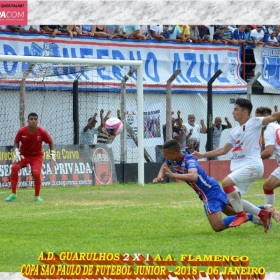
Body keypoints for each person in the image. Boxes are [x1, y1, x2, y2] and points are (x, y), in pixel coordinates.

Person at [191, 98, 280, 232]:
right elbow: (223, 150)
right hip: (241, 169)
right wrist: (202, 155)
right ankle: (263, 214)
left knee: (226, 182)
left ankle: (241, 215)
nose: (233, 112)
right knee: (229, 200)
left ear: (245, 112)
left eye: (236, 109)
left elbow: (273, 116)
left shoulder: (254, 123)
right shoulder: (234, 131)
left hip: (253, 166)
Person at [152, 139, 256, 232]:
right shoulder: (173, 158)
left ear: (174, 154)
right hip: (209, 188)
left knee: (217, 226)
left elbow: (193, 176)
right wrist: (159, 176)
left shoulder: (189, 160)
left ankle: (256, 216)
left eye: (165, 154)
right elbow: (164, 166)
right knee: (231, 213)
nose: (164, 157)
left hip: (209, 191)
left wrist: (172, 175)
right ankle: (261, 212)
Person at [5, 113, 56, 202]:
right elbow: (16, 141)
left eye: (35, 119)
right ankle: (13, 194)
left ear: (37, 121)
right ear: (27, 121)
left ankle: (37, 196)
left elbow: (50, 142)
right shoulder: (22, 131)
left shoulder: (42, 131)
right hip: (23, 155)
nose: (33, 121)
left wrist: (52, 153)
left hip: (36, 156)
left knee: (36, 174)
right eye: (31, 119)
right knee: (13, 167)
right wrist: (16, 152)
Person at [255, 106, 280, 222]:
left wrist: (252, 159)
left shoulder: (269, 129)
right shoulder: (277, 127)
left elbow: (268, 152)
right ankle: (269, 215)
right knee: (268, 186)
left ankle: (268, 216)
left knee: (268, 186)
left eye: (256, 116)